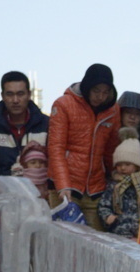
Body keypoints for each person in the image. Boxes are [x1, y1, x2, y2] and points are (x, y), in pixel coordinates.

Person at [48, 63, 121, 231]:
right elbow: (55, 148)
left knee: (97, 242)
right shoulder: (63, 104)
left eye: (105, 92)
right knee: (66, 240)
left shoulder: (112, 110)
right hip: (65, 187)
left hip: (96, 187)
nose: (101, 97)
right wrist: (63, 184)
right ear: (87, 86)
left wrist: (115, 176)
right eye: (96, 91)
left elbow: (111, 150)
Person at [0, 71, 49, 177]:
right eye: (10, 94)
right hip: (0, 191)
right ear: (2, 96)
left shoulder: (47, 125)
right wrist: (3, 188)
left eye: (20, 94)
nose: (15, 100)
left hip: (39, 189)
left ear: (29, 95)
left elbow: (56, 161)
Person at [99, 129, 140, 238]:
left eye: (127, 164)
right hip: (119, 231)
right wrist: (108, 217)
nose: (123, 168)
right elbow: (104, 205)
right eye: (119, 164)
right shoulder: (114, 185)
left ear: (136, 165)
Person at [116, 92, 140, 172]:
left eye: (137, 114)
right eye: (128, 112)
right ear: (120, 113)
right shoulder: (108, 137)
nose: (132, 117)